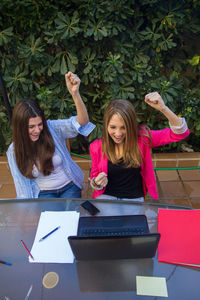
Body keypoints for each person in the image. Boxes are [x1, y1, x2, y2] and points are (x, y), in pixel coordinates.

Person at [7, 72, 95, 199]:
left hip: (69, 186)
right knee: (49, 218)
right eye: (31, 127)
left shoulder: (51, 128)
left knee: (70, 217)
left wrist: (75, 94)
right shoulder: (13, 150)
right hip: (44, 193)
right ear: (20, 127)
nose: (37, 130)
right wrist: (27, 209)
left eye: (39, 124)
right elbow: (21, 186)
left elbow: (81, 123)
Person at [89, 92, 189, 201]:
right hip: (107, 196)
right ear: (106, 125)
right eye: (113, 127)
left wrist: (163, 108)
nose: (118, 134)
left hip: (134, 198)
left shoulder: (143, 138)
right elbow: (94, 179)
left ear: (131, 125)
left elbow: (181, 133)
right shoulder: (96, 147)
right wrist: (96, 182)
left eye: (123, 128)